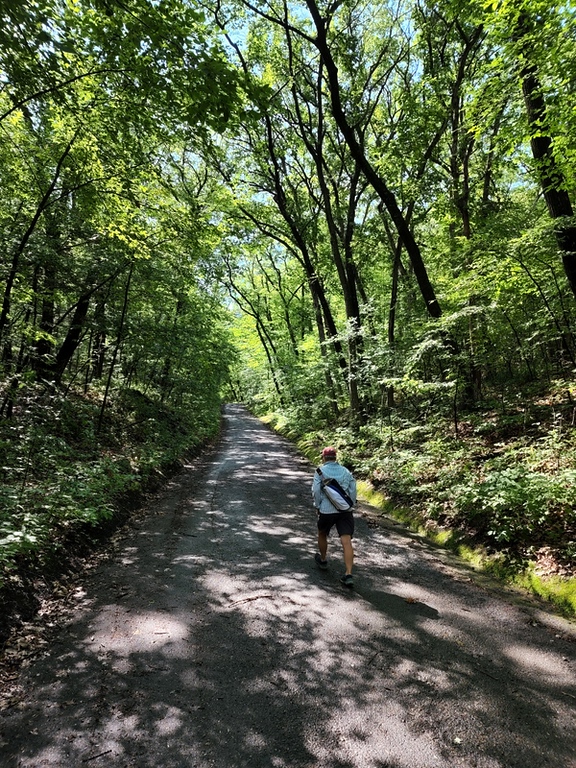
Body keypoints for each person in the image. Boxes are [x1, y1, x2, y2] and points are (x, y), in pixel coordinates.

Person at [312, 446, 357, 587]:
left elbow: (316, 491)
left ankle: (323, 559)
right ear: (335, 457)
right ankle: (348, 574)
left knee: (322, 533)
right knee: (347, 541)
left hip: (326, 510)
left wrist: (318, 506)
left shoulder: (320, 471)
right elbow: (353, 489)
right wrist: (350, 504)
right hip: (344, 511)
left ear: (324, 457)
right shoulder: (345, 471)